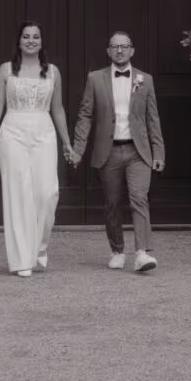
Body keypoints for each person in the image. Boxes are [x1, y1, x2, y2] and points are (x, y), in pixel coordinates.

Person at [0, 21, 76, 277]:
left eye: (35, 37)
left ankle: (40, 248)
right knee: (18, 194)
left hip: (44, 132)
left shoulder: (53, 71)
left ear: (41, 42)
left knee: (47, 193)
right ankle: (22, 260)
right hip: (13, 132)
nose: (31, 40)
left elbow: (58, 109)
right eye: (26, 36)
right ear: (19, 41)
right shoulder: (6, 70)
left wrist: (67, 142)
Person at [72, 31, 165, 274]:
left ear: (132, 50)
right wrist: (78, 149)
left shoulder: (146, 80)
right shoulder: (95, 79)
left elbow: (152, 118)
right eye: (115, 46)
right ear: (108, 51)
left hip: (138, 152)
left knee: (139, 198)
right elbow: (85, 115)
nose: (120, 50)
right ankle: (117, 250)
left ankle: (142, 253)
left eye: (125, 46)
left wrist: (159, 153)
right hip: (109, 151)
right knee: (112, 203)